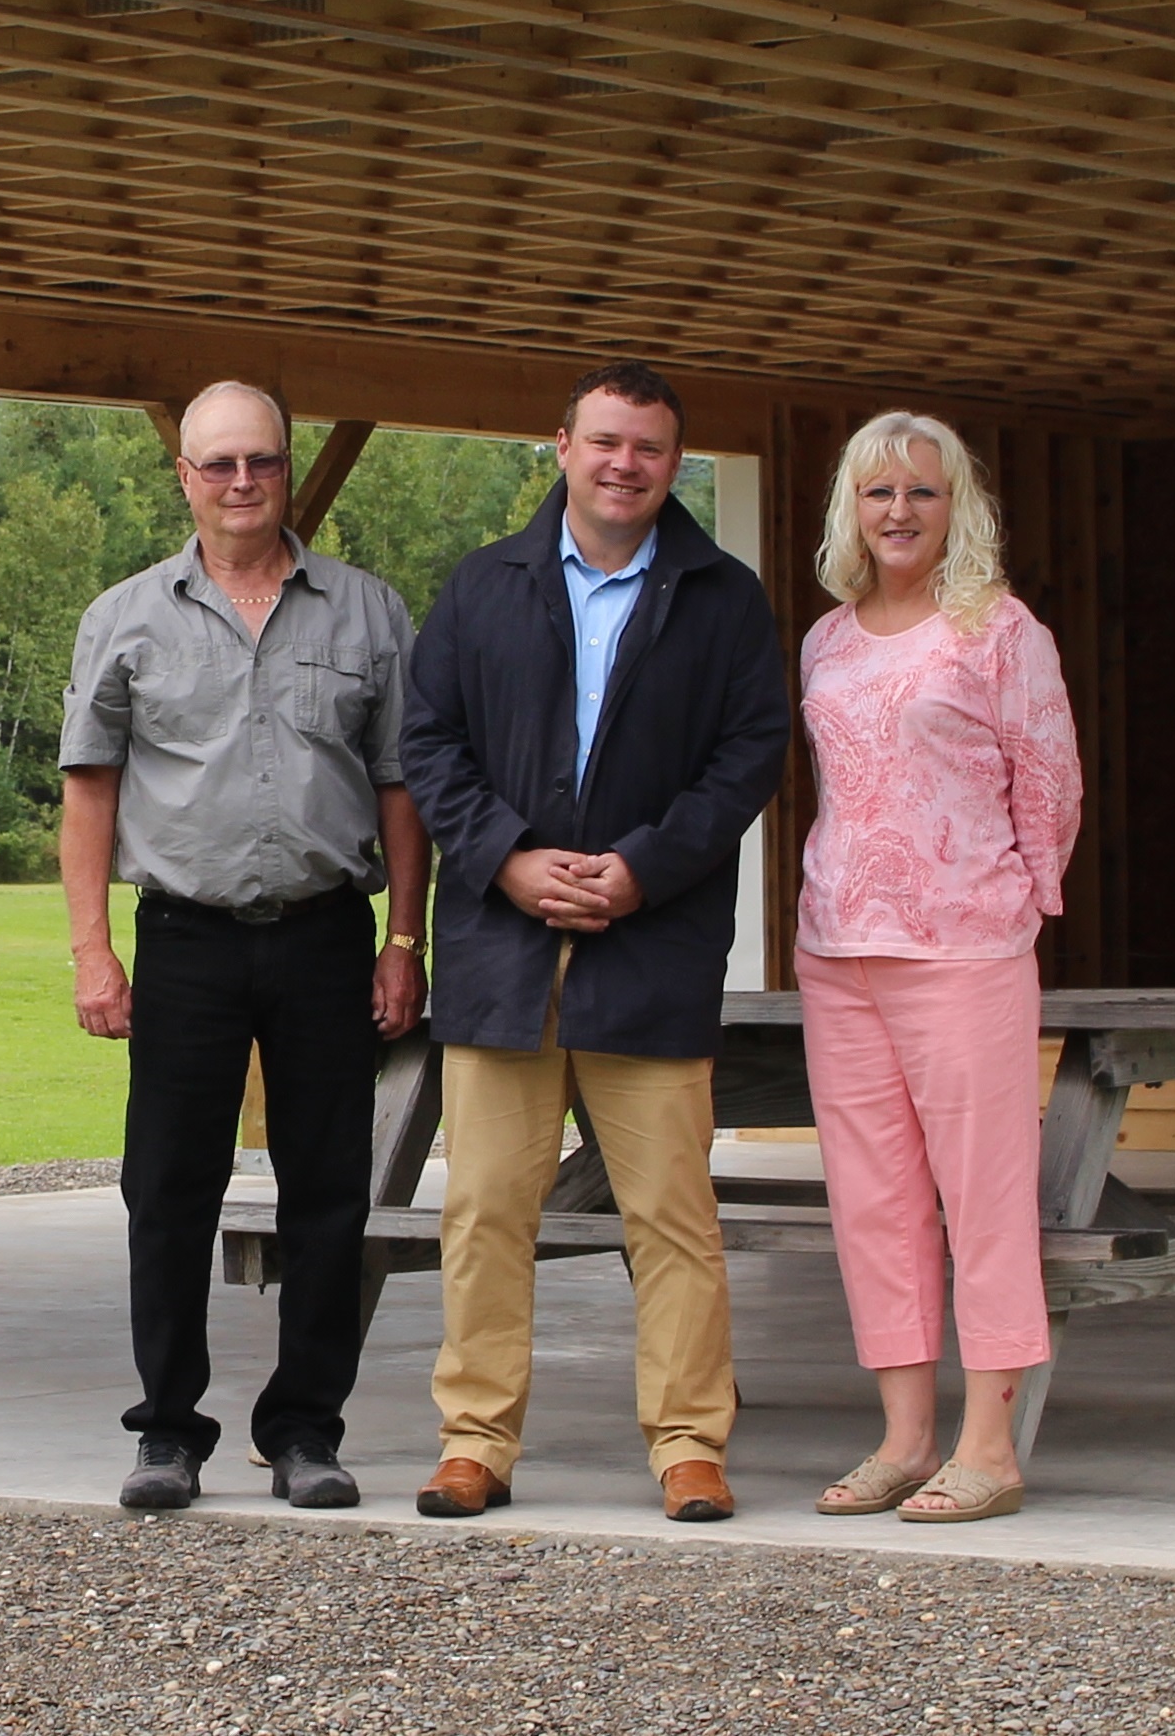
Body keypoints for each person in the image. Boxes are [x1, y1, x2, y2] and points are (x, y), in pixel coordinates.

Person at [397, 360, 789, 1524]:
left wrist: (643, 870)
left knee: (671, 1212)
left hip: (651, 945)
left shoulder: (723, 596)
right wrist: (508, 857)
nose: (626, 464)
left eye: (649, 447)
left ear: (674, 462)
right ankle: (474, 1440)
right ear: (561, 444)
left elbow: (748, 756)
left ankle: (689, 1444)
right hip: (499, 946)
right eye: (606, 440)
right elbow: (428, 743)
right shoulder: (482, 585)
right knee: (484, 1210)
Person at [61, 379, 430, 1515]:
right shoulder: (125, 615)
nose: (240, 482)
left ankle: (306, 1430)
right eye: (217, 463)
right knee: (167, 1190)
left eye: (260, 460)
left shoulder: (368, 613)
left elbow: (402, 786)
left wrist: (405, 938)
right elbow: (89, 789)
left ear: (289, 468)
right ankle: (168, 1432)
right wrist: (91, 950)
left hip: (328, 936)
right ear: (183, 475)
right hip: (185, 940)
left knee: (330, 1193)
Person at [791, 409, 1083, 1526]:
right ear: (851, 509)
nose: (899, 510)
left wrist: (1021, 899)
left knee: (984, 1198)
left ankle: (989, 1446)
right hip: (838, 948)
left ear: (959, 506)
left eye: (922, 490)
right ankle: (906, 1438)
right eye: (879, 491)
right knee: (874, 1203)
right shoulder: (827, 640)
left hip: (964, 947)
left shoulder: (1000, 631)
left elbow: (1049, 783)